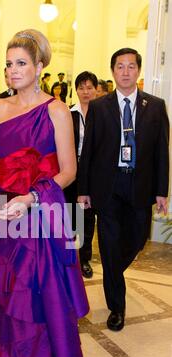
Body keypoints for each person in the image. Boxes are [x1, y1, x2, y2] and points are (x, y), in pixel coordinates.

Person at [0, 29, 89, 357]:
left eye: (20, 63)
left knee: (35, 301)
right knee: (8, 299)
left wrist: (30, 199)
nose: (12, 70)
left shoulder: (57, 110)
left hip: (40, 215)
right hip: (5, 215)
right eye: (8, 64)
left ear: (40, 66)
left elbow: (68, 170)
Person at [78, 48, 169, 332]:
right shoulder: (100, 106)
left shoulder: (155, 106)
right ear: (113, 71)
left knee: (138, 238)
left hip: (139, 184)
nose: (126, 71)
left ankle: (114, 270)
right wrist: (83, 189)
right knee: (107, 243)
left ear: (138, 71)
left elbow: (161, 153)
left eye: (131, 66)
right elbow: (88, 151)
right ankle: (117, 307)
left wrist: (162, 191)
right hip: (108, 185)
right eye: (120, 66)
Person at [64, 71, 98, 279]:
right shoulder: (69, 114)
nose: (85, 92)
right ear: (76, 90)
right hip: (72, 169)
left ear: (96, 89)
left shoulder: (102, 113)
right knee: (70, 213)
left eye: (89, 87)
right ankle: (69, 256)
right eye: (81, 87)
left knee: (87, 216)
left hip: (94, 172)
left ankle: (84, 258)